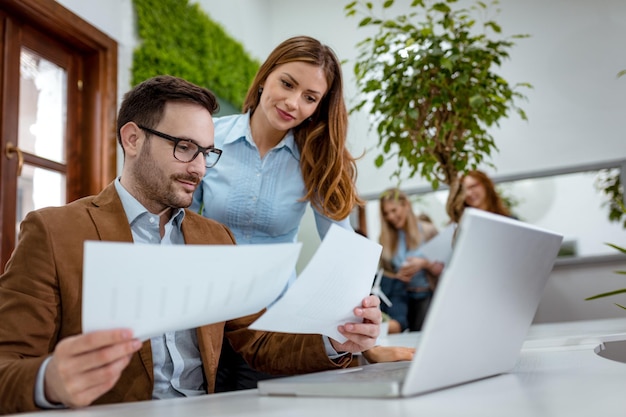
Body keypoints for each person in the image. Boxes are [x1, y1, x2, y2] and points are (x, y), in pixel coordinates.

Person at [0, 75, 383, 415]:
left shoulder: (215, 238)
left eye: (207, 153)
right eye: (185, 147)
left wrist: (335, 340)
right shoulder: (53, 231)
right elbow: (6, 362)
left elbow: (257, 342)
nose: (199, 168)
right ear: (132, 139)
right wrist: (49, 379)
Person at [191, 35, 407, 390]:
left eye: (310, 98)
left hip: (275, 326)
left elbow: (343, 245)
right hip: (207, 315)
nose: (293, 103)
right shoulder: (211, 139)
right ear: (265, 77)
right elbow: (178, 221)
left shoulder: (316, 161)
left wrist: (364, 340)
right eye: (287, 84)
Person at [378, 188, 443, 333]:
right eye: (386, 213)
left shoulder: (428, 231)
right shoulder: (386, 239)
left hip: (428, 298)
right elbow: (383, 276)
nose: (390, 217)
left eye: (394, 210)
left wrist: (424, 264)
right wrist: (397, 277)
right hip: (402, 301)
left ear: (406, 205)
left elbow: (444, 268)